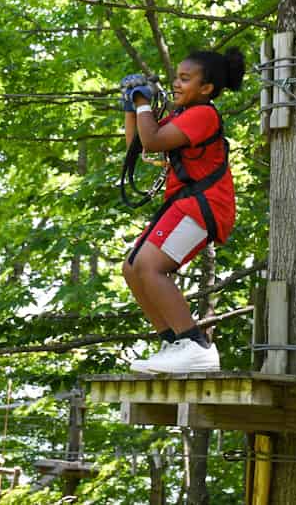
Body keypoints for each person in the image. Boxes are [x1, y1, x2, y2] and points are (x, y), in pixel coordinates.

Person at [120, 48, 245, 374]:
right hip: (183, 203)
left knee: (149, 266)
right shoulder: (181, 114)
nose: (176, 83)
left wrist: (143, 103)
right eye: (177, 76)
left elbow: (153, 141)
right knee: (132, 268)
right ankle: (174, 342)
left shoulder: (203, 114)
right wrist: (132, 109)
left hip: (204, 205)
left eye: (184, 79)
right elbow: (139, 142)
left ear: (206, 88)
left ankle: (196, 346)